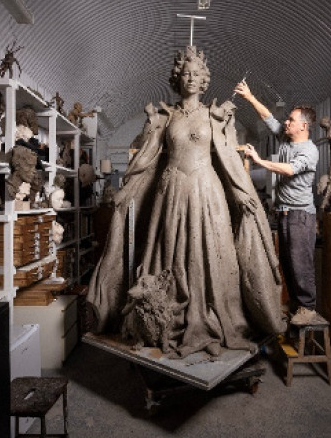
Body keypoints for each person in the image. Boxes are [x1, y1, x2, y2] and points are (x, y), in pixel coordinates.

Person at [87, 46, 285, 357]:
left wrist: (241, 193)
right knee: (170, 249)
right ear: (177, 79)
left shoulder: (216, 115)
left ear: (205, 80)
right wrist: (126, 191)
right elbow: (146, 158)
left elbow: (229, 159)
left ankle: (214, 312)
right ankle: (166, 315)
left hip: (208, 191)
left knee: (212, 251)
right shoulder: (165, 117)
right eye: (185, 73)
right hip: (173, 191)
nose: (191, 78)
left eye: (197, 73)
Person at [233, 79, 321, 326]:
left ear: (303, 125)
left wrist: (258, 161)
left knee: (300, 262)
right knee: (288, 263)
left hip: (300, 215)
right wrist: (249, 96)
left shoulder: (310, 151)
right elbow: (268, 117)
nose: (286, 122)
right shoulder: (284, 138)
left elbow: (290, 170)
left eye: (291, 120)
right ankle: (295, 304)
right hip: (284, 213)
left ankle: (308, 307)